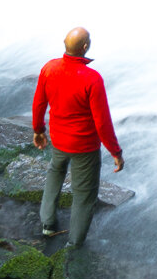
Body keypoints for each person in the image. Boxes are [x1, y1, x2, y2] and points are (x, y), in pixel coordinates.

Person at [31, 26, 124, 250]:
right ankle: (73, 245)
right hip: (84, 147)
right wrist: (116, 152)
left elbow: (39, 103)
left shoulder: (49, 68)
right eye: (89, 40)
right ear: (85, 47)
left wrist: (39, 130)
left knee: (55, 173)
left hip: (59, 139)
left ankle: (48, 224)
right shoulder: (92, 79)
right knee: (84, 195)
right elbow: (102, 122)